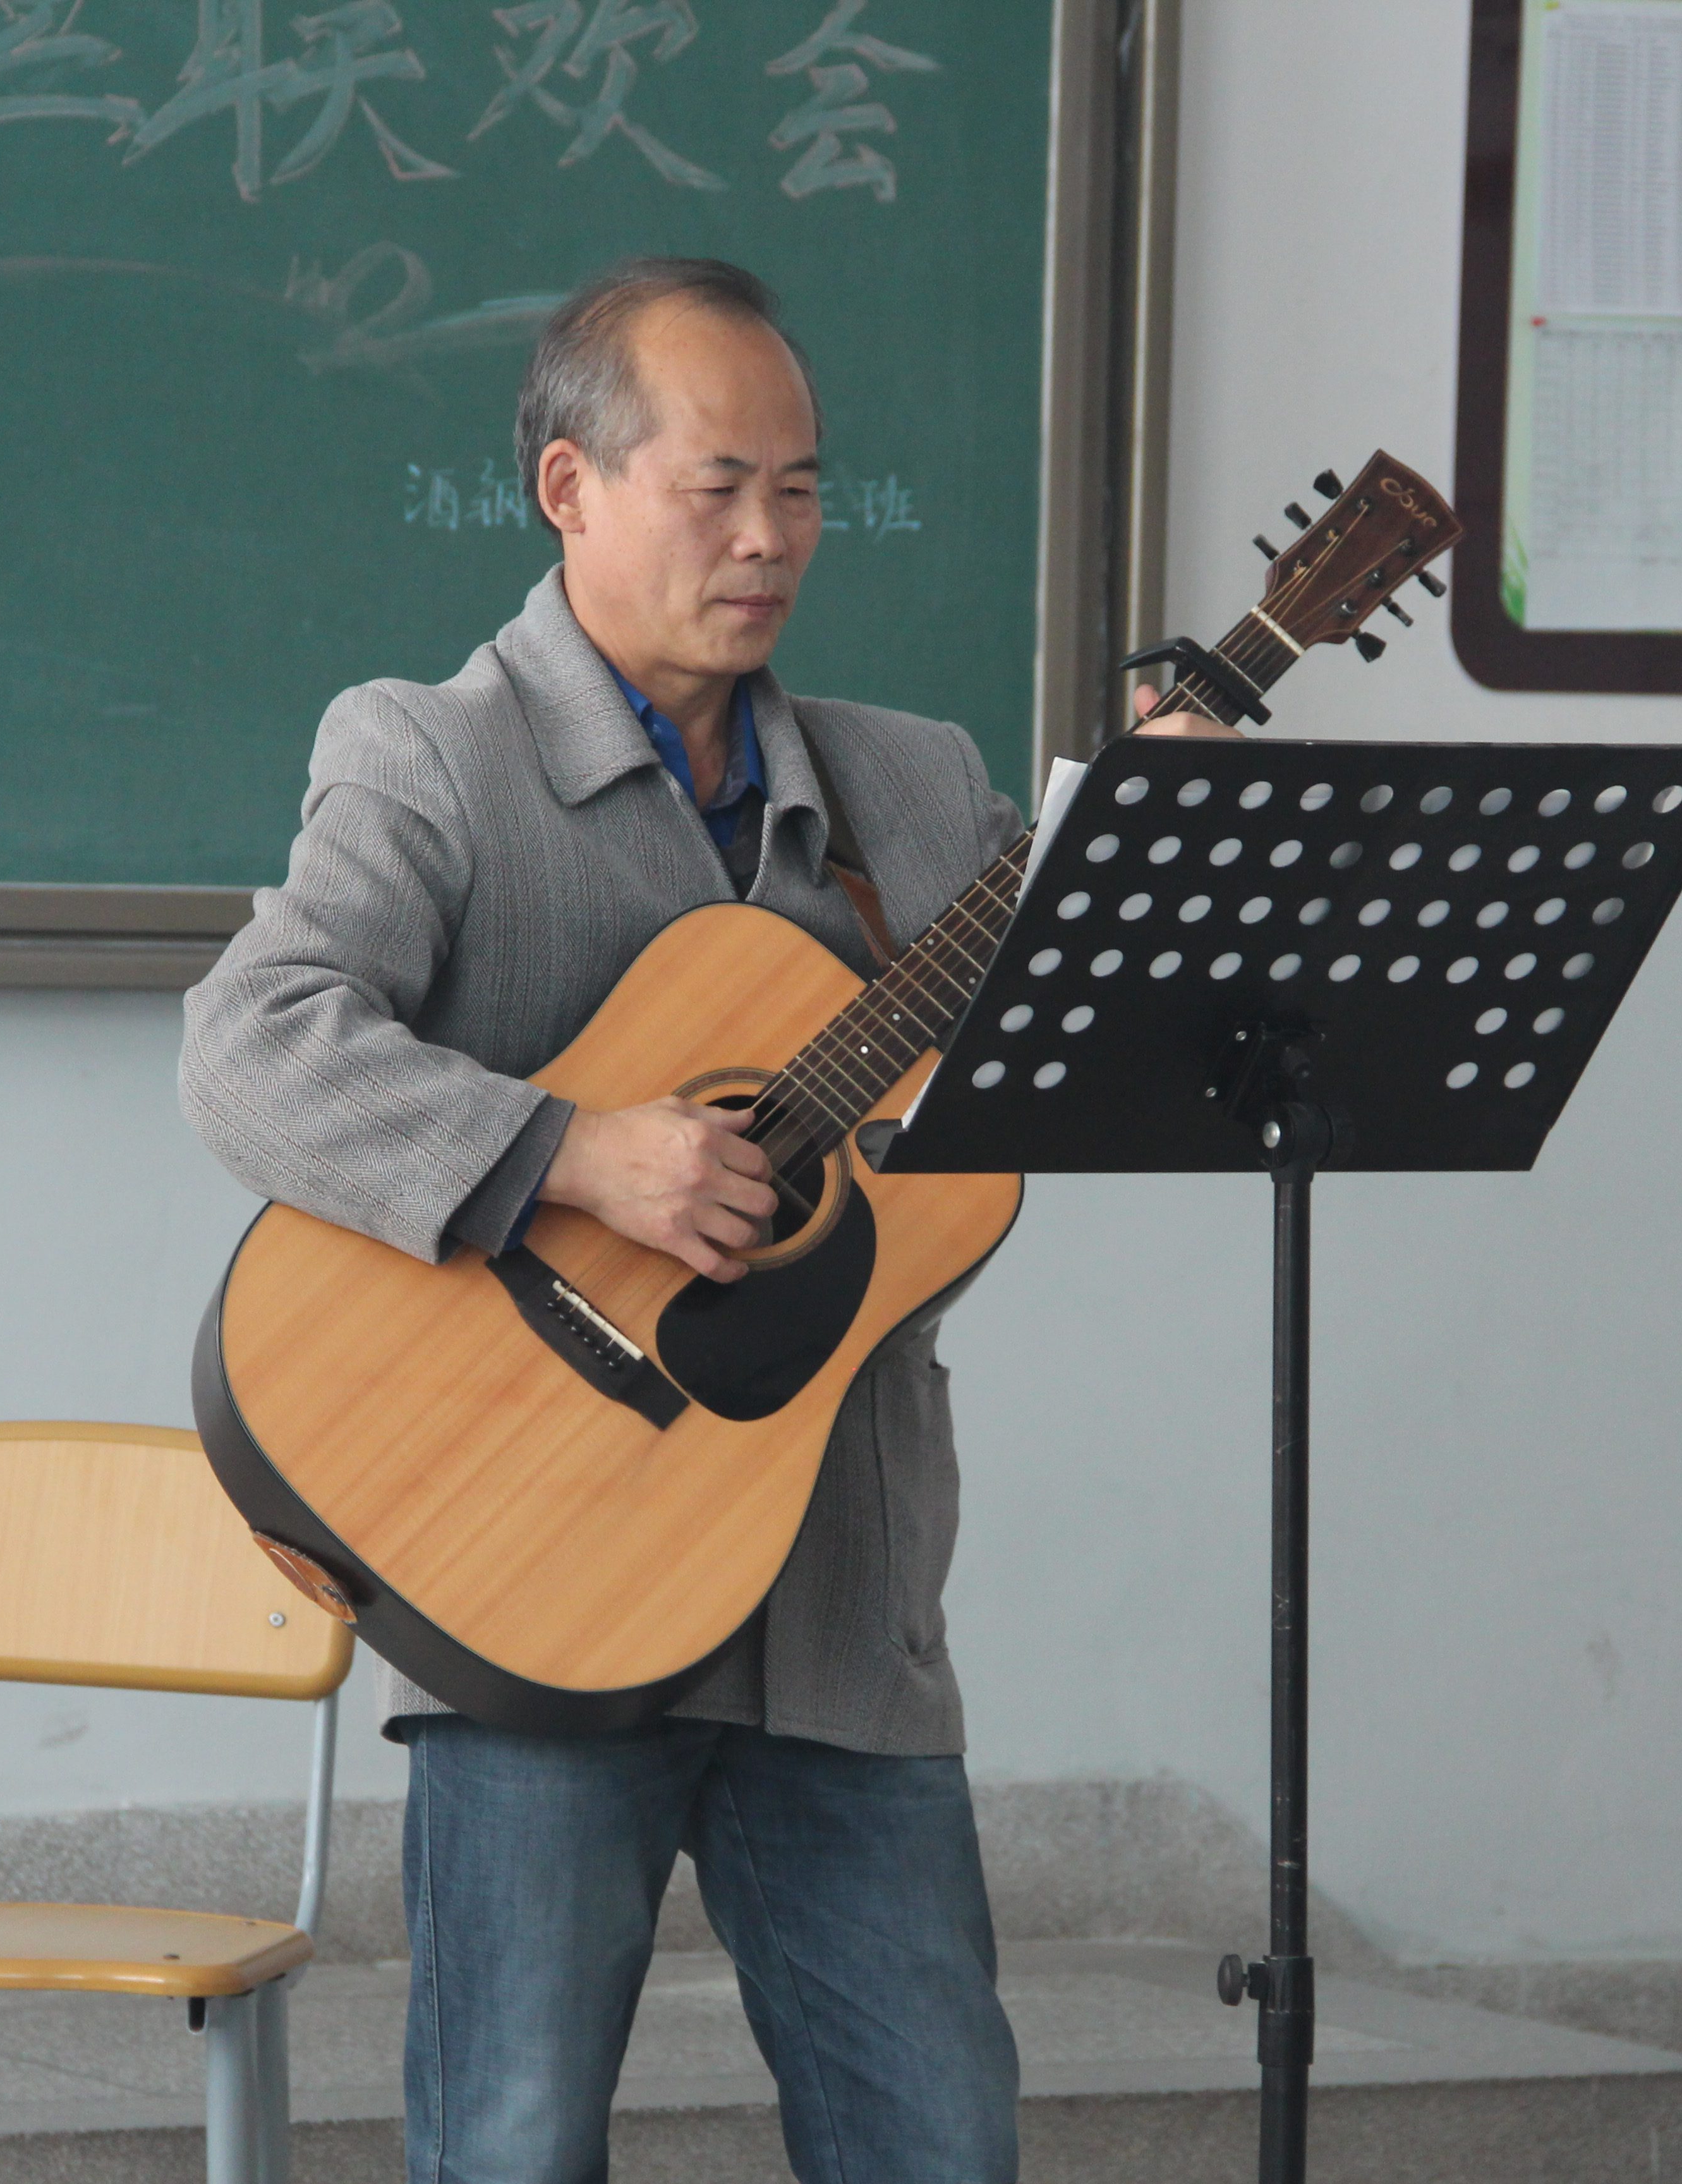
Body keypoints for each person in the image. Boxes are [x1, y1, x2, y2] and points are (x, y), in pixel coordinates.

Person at [179, 257, 1027, 2183]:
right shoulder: (432, 753)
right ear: (570, 486)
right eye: (718, 487)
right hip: (535, 1581)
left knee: (942, 2143)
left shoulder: (918, 789)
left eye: (800, 490)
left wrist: (1155, 849)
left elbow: (1038, 1087)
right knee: (511, 2148)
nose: (769, 538)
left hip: (836, 1596)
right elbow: (251, 1045)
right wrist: (568, 1151)